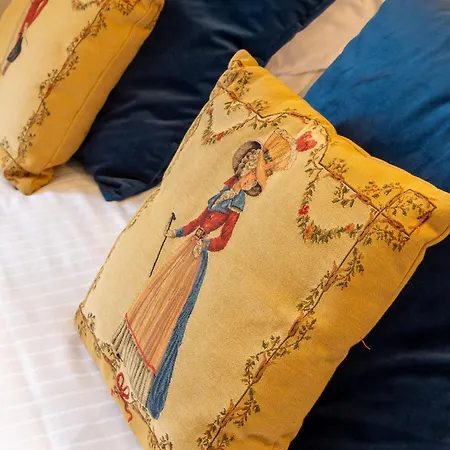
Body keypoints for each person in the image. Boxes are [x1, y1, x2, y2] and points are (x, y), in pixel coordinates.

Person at [112, 130, 296, 419]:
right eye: (250, 174)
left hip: (196, 256)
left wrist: (204, 244)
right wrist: (178, 232)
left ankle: (146, 375)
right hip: (187, 247)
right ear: (244, 169)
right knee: (155, 295)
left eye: (255, 179)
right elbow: (199, 219)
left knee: (169, 310)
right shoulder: (225, 191)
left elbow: (223, 240)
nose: (250, 180)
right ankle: (125, 351)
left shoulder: (236, 204)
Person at [2, 0, 49, 74]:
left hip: (27, 22)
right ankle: (5, 66)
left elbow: (39, 9)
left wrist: (27, 25)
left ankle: (5, 67)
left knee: (18, 44)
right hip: (25, 20)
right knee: (16, 43)